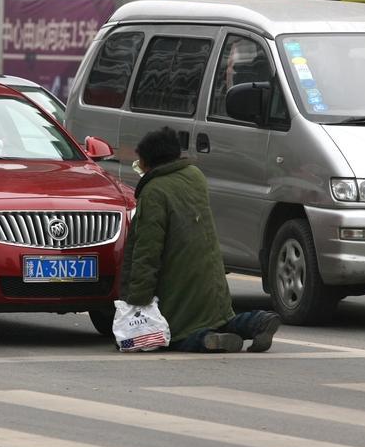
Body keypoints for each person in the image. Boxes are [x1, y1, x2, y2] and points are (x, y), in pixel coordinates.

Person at [120, 126, 281, 353]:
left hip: (180, 285)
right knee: (220, 318)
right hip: (212, 278)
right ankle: (257, 322)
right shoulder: (194, 176)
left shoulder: (154, 191)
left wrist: (137, 300)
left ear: (149, 162)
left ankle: (209, 340)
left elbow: (147, 252)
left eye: (140, 163)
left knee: (175, 336)